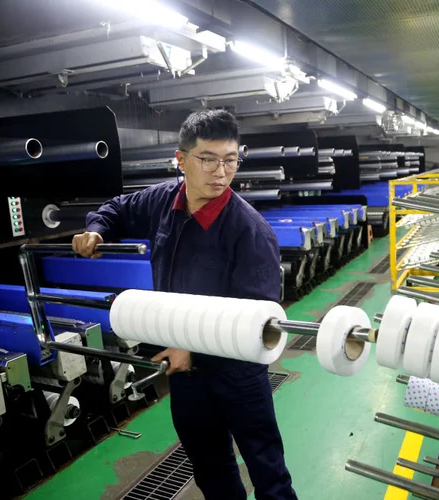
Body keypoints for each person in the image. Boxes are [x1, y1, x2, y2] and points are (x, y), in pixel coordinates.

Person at [72, 109, 297, 500]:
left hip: (237, 372)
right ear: (181, 159)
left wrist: (189, 347)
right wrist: (96, 229)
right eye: (208, 159)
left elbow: (257, 318)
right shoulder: (163, 201)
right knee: (210, 467)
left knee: (267, 469)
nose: (221, 172)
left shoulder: (251, 232)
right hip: (186, 374)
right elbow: (118, 208)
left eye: (230, 160)